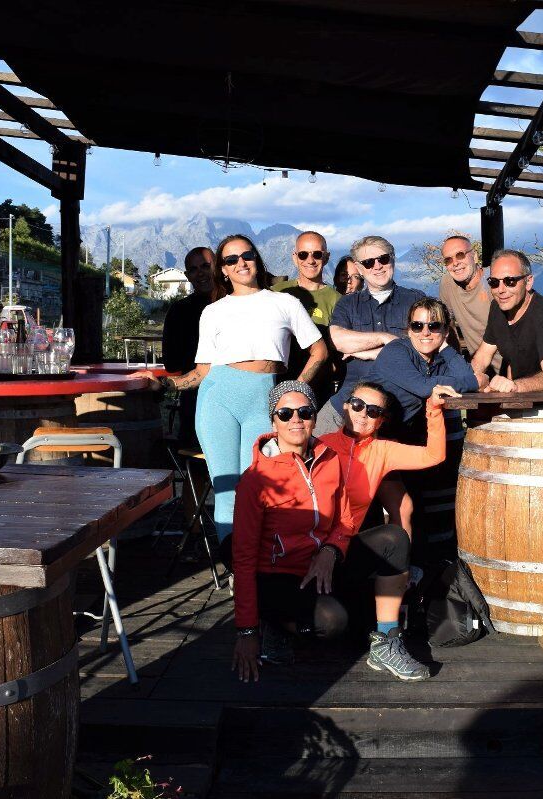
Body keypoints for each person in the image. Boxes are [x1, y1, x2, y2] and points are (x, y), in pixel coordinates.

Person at [232, 382, 430, 683]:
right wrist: (246, 631)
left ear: (314, 417)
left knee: (394, 539)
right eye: (285, 413)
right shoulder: (255, 479)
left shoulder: (329, 458)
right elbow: (244, 557)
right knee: (332, 623)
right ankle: (273, 622)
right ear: (273, 420)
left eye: (305, 411)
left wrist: (330, 550)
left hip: (323, 563)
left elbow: (347, 518)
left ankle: (387, 640)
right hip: (280, 574)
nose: (295, 419)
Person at [166, 234, 328, 543]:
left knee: (257, 488)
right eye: (231, 259)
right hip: (217, 397)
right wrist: (169, 383)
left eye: (247, 255)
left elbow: (319, 351)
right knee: (226, 489)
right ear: (223, 270)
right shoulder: (212, 312)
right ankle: (235, 568)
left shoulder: (285, 303)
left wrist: (295, 387)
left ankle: (260, 560)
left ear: (257, 259)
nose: (241, 262)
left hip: (263, 398)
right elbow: (202, 371)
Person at [315, 235, 426, 436]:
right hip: (350, 399)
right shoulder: (348, 305)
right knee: (315, 440)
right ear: (358, 268)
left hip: (401, 406)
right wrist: (385, 339)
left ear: (392, 259)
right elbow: (338, 340)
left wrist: (366, 352)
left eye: (383, 259)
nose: (377, 266)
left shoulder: (415, 300)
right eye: (368, 262)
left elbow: (424, 350)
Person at [373, 298, 485, 442]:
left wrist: (444, 347)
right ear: (410, 331)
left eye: (434, 326)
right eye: (417, 326)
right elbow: (424, 386)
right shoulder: (395, 351)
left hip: (394, 436)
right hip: (354, 427)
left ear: (445, 331)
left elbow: (466, 376)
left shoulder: (439, 359)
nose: (425, 332)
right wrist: (475, 382)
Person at [470, 249, 543, 393]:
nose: (500, 290)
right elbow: (483, 357)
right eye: (494, 282)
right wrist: (468, 381)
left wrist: (515, 386)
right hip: (518, 399)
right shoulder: (498, 308)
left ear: (528, 282)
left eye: (510, 281)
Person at [272, 231, 341, 399]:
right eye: (303, 255)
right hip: (276, 381)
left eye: (317, 254)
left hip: (317, 387)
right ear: (295, 257)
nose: (310, 260)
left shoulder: (337, 300)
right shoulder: (277, 292)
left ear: (326, 257)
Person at [160, 246, 214, 447]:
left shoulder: (237, 305)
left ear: (219, 268)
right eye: (193, 269)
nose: (200, 273)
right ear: (187, 276)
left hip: (237, 396)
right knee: (195, 460)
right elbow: (171, 362)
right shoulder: (179, 311)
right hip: (196, 398)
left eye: (206, 266)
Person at [437, 235, 498, 370]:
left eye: (460, 255)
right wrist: (456, 364)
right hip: (481, 371)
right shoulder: (447, 284)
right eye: (448, 260)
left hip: (517, 371)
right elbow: (448, 326)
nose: (455, 263)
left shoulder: (495, 282)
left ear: (475, 256)